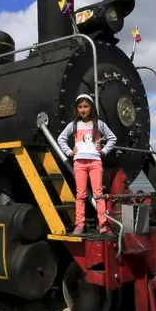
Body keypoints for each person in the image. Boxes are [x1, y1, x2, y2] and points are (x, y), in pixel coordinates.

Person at [57, 93, 117, 235]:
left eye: (86, 106)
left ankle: (103, 224)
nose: (83, 110)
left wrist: (103, 151)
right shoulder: (74, 125)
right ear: (77, 109)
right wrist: (69, 152)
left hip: (95, 161)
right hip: (80, 163)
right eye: (80, 107)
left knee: (98, 193)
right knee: (81, 194)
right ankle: (79, 224)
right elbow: (61, 139)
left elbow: (112, 138)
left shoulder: (99, 124)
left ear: (91, 108)